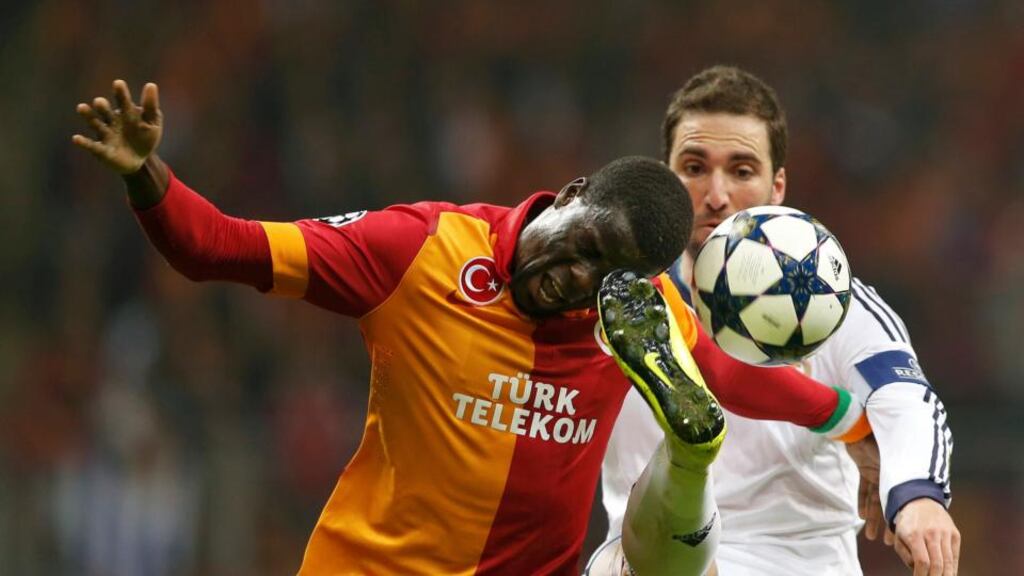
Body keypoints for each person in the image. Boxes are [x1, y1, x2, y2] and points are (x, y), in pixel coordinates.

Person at [73, 79, 868, 574]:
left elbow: (731, 379)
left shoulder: (632, 315)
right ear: (569, 193)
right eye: (582, 247)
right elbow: (220, 247)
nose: (574, 280)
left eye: (603, 278)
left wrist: (853, 422)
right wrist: (147, 173)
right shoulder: (418, 249)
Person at [597, 65, 961, 575]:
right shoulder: (616, 301)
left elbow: (904, 397)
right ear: (665, 179)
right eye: (694, 167)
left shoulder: (831, 299)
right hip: (647, 561)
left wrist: (919, 495)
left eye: (742, 171)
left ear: (777, 188)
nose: (717, 195)